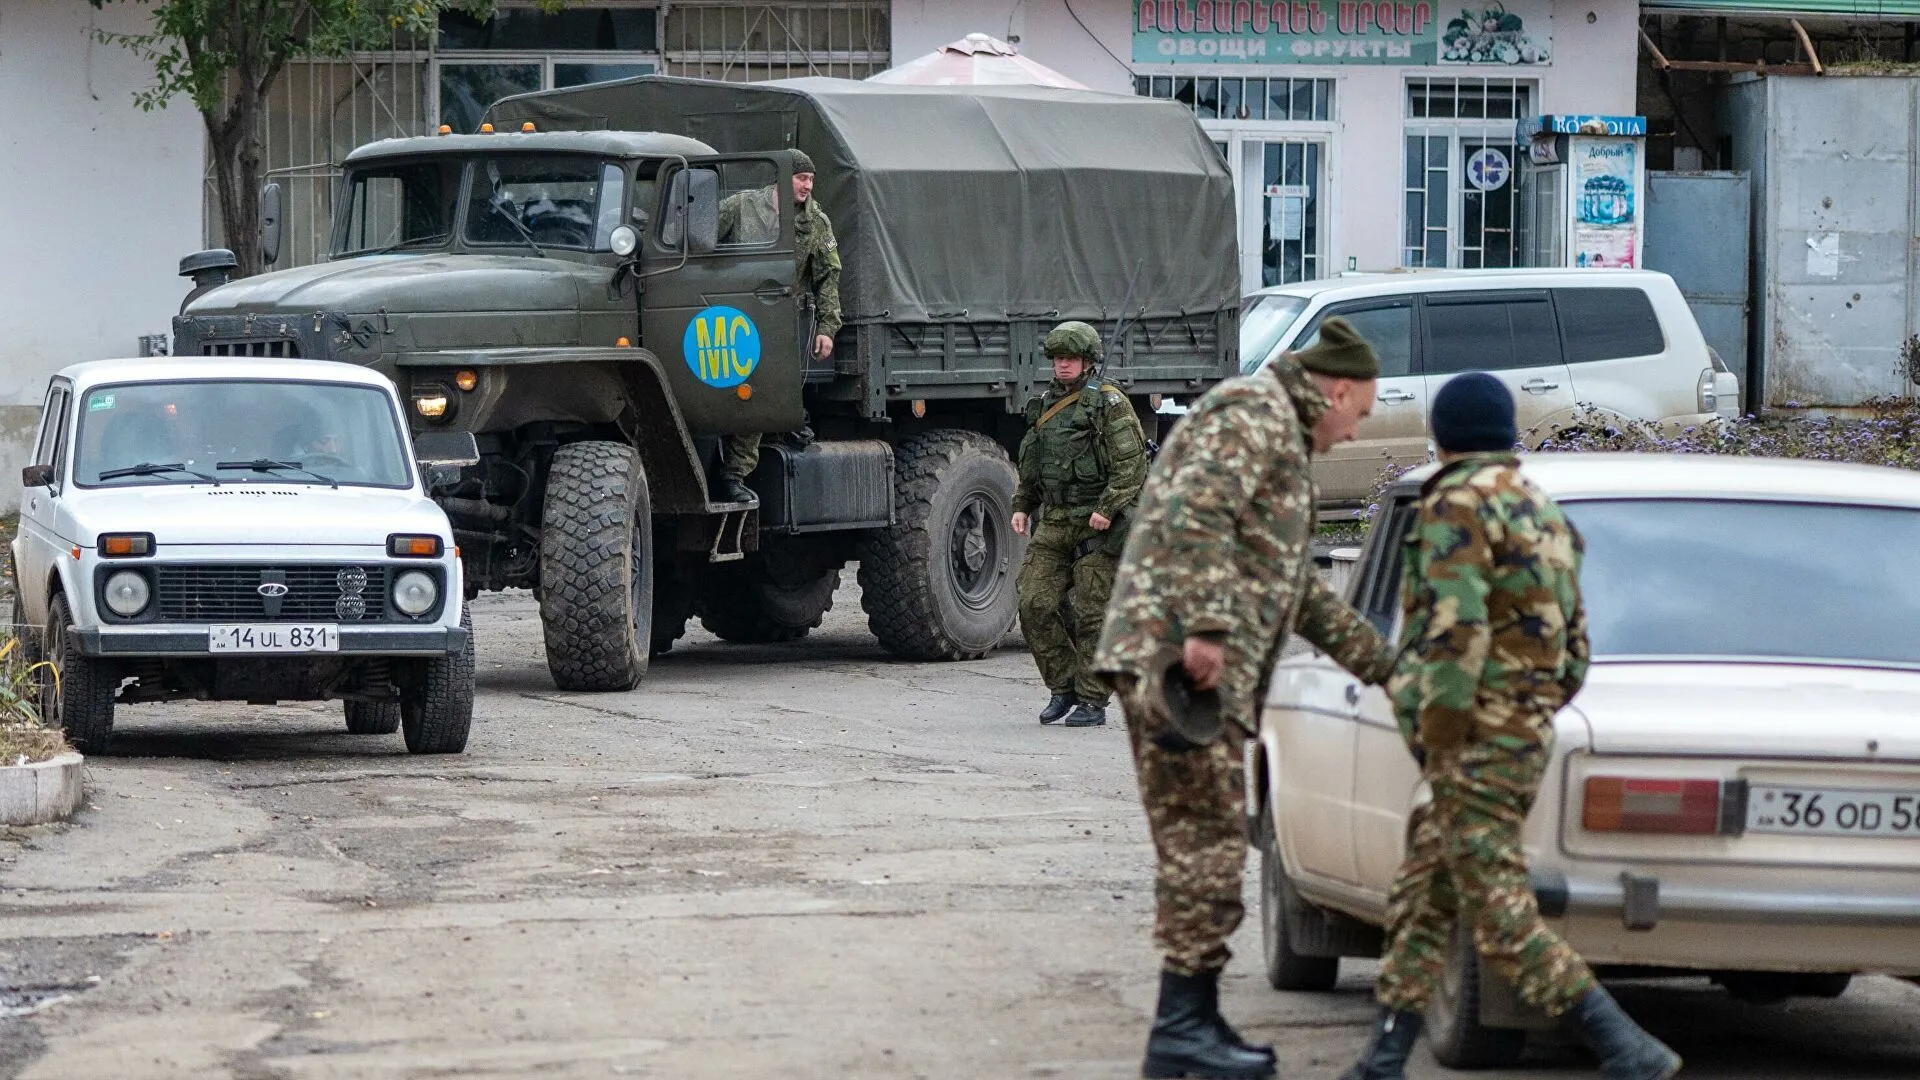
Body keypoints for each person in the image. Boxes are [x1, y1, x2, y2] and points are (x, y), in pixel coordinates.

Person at [1337, 372, 1680, 1080]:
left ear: (1440, 437)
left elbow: (1451, 635)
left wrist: (1440, 732)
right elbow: (1576, 650)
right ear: (1507, 436)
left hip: (1470, 740)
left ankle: (1628, 1047)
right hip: (1522, 732)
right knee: (1424, 898)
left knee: (1496, 914)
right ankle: (1383, 1060)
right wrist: (1527, 710)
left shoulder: (1455, 504)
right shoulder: (1542, 511)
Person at [1093, 318, 1396, 1080]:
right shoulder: (1254, 414)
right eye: (1358, 413)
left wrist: (1389, 669)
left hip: (1203, 668)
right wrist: (1206, 628)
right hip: (1182, 668)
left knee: (1209, 846)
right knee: (1207, 846)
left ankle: (1189, 1021)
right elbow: (1199, 510)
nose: (1352, 430)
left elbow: (1301, 596)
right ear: (1336, 390)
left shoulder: (1283, 443)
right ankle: (1182, 1029)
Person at [1011, 321, 1148, 729]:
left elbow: (1132, 464)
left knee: (1092, 613)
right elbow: (1034, 464)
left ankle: (1092, 700)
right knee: (1034, 603)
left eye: (1070, 358)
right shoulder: (1043, 405)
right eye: (1057, 358)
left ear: (1088, 361)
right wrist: (1023, 504)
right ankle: (1063, 687)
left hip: (1097, 525)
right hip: (1055, 519)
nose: (1063, 365)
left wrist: (1107, 508)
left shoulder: (1109, 404)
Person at [714, 150, 842, 506]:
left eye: (811, 180)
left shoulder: (816, 222)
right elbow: (703, 238)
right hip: (735, 315)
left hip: (780, 321)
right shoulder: (742, 207)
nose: (807, 186)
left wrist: (827, 329)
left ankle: (735, 473)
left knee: (759, 391)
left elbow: (828, 277)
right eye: (802, 178)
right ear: (782, 178)